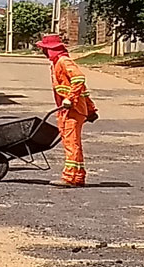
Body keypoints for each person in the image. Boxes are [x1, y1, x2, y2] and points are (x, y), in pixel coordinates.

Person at [36, 34, 98, 188]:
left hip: (72, 109)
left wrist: (70, 99)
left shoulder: (64, 61)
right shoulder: (57, 62)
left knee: (72, 143)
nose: (43, 52)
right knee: (73, 143)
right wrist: (90, 108)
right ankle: (78, 176)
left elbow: (79, 79)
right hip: (68, 109)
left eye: (44, 49)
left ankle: (70, 177)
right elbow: (82, 89)